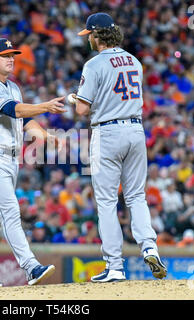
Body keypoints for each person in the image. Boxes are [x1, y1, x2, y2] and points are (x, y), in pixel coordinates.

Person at [70, 13, 167, 282]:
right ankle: (149, 246)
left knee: (107, 202)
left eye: (89, 33)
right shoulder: (134, 61)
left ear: (98, 35)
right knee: (136, 196)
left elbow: (82, 109)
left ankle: (114, 266)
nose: (88, 38)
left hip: (107, 132)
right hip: (135, 129)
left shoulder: (93, 64)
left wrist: (73, 98)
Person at [0, 38, 66, 288]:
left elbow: (22, 119)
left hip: (9, 159)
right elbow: (14, 111)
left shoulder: (13, 87)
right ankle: (30, 267)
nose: (11, 59)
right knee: (9, 211)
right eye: (5, 55)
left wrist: (43, 134)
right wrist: (45, 106)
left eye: (13, 55)